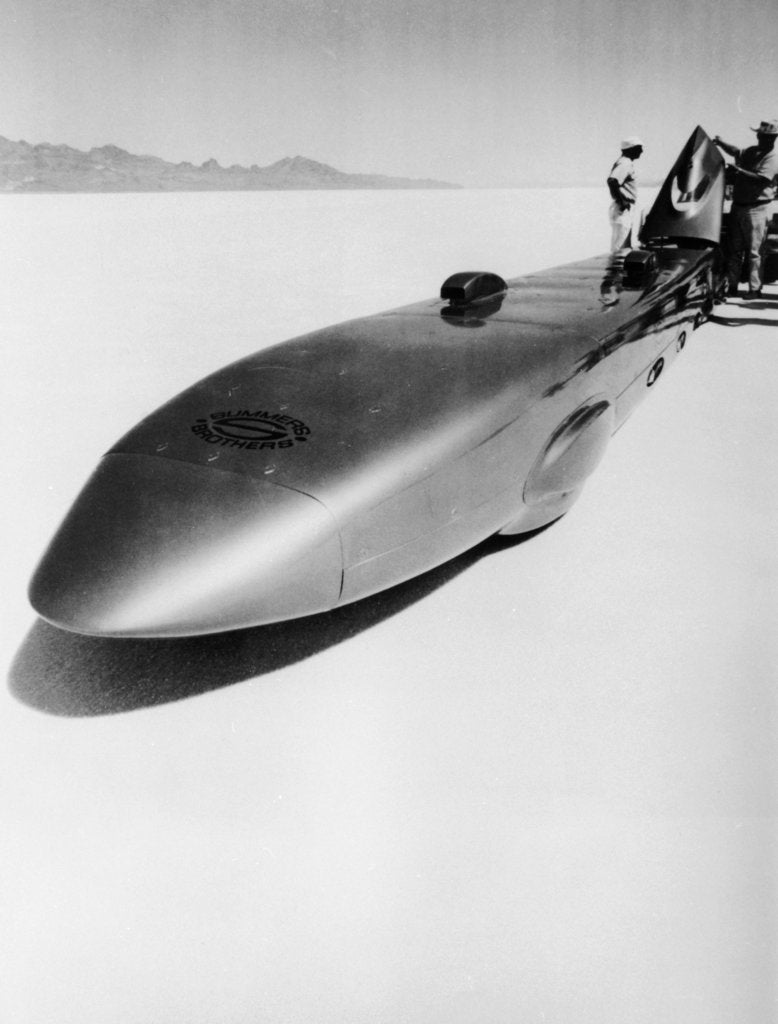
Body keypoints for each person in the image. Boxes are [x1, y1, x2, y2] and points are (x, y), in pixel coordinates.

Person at [714, 119, 778, 299]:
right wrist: (721, 142)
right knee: (735, 250)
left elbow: (762, 179)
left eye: (772, 137)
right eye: (766, 136)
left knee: (754, 252)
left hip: (757, 208)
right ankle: (732, 286)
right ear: (759, 136)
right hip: (739, 206)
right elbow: (736, 151)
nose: (769, 140)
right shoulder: (751, 152)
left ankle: (755, 289)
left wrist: (738, 171)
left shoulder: (773, 157)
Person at [607, 136, 644, 251]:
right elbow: (612, 181)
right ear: (631, 149)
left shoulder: (625, 162)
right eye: (639, 148)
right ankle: (617, 268)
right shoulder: (625, 163)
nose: (641, 151)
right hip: (623, 208)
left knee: (623, 243)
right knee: (620, 245)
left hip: (624, 207)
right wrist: (622, 201)